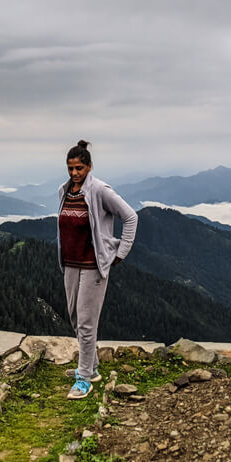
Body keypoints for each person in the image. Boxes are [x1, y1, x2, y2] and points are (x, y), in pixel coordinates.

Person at [57, 140, 138, 399]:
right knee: (74, 318)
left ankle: (84, 380)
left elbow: (130, 216)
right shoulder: (65, 190)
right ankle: (90, 367)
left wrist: (120, 252)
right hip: (70, 263)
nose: (74, 173)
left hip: (93, 265)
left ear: (89, 166)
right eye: (70, 168)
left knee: (87, 323)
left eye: (79, 168)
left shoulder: (100, 190)